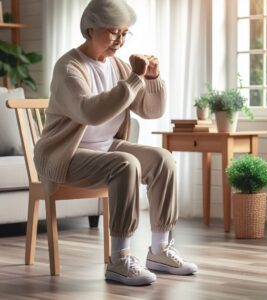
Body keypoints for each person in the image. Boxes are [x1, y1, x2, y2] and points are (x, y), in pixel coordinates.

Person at [34, 0, 197, 286]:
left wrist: (153, 78)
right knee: (125, 164)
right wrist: (135, 78)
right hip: (65, 156)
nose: (120, 40)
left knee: (163, 159)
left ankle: (160, 250)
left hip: (105, 148)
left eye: (125, 33)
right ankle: (119, 260)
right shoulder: (69, 67)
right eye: (113, 32)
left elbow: (151, 111)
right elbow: (90, 112)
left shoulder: (119, 66)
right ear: (90, 28)